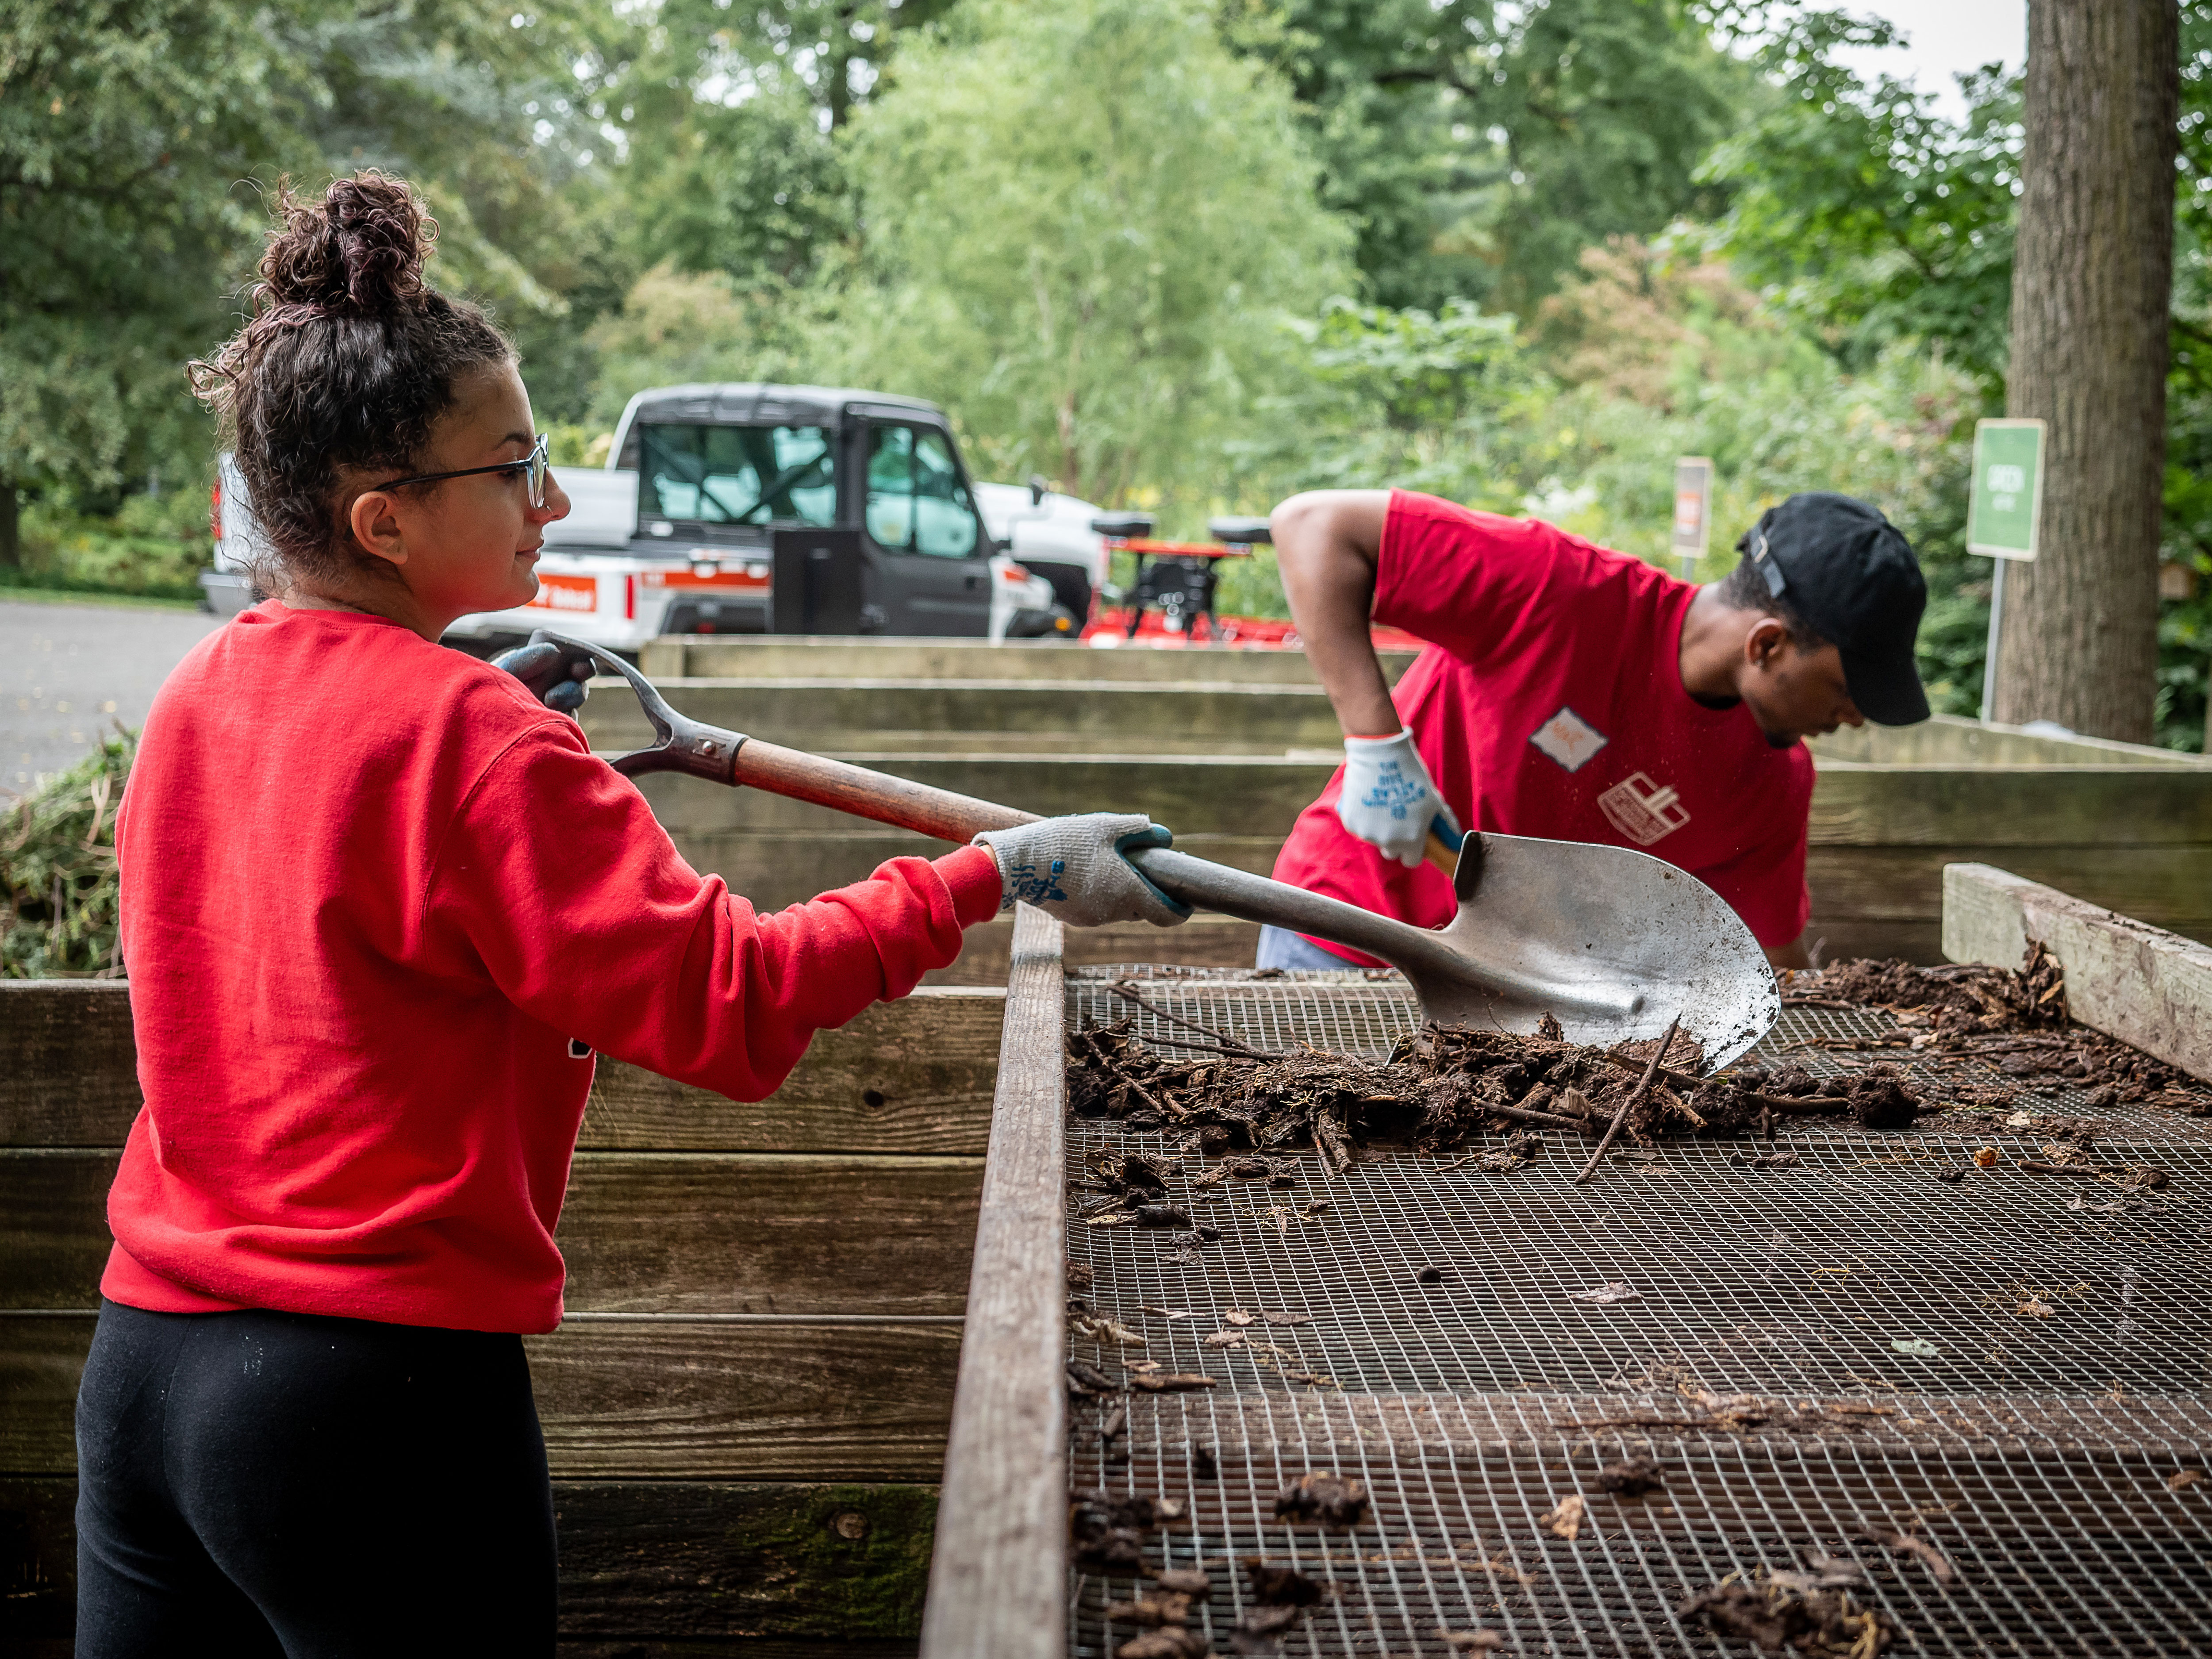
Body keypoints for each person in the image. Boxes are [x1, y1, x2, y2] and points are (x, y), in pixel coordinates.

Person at [73, 172, 1186, 1656]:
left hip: (144, 1374)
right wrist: (989, 878)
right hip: (367, 1400)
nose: (551, 500)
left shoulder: (199, 695)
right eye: (515, 466)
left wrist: (471, 709)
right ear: (385, 519)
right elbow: (730, 1006)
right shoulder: (480, 743)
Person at [1260, 487, 1929, 973]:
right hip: (1346, 935)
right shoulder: (1562, 593)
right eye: (1846, 690)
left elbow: (1770, 957)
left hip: (1506, 993)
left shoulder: (1773, 781)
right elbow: (1311, 525)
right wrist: (1377, 747)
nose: (1855, 717)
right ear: (1767, 645)